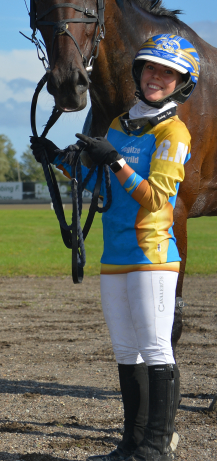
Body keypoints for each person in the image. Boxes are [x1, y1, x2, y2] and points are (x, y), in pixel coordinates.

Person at [31, 34, 199, 461]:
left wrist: (115, 160)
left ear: (181, 83)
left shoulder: (173, 130)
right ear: (138, 73)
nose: (156, 77)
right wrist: (57, 159)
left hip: (152, 258)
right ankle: (131, 443)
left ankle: (157, 447)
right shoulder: (120, 124)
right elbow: (100, 184)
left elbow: (156, 197)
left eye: (167, 72)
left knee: (157, 348)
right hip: (115, 257)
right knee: (126, 351)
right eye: (150, 68)